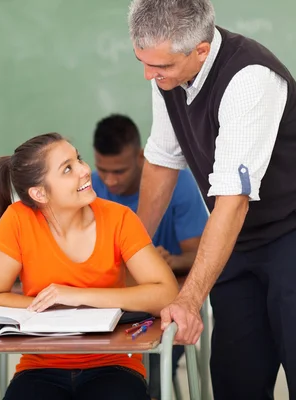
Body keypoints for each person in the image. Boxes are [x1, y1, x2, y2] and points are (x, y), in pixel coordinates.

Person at [128, 0, 296, 398]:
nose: (148, 75)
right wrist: (130, 253)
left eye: (161, 66)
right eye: (143, 61)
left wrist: (188, 301)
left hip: (290, 232)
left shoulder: (250, 77)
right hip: (238, 240)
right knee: (235, 378)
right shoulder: (167, 76)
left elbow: (233, 200)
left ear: (201, 50)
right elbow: (162, 162)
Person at [0, 132, 179, 400]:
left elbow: (167, 294)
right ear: (39, 193)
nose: (85, 170)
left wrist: (75, 295)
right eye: (68, 169)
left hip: (113, 366)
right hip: (40, 368)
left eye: (79, 159)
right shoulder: (18, 221)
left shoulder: (119, 219)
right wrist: (49, 303)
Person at [92, 114, 208, 398]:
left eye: (118, 171)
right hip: (106, 309)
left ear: (141, 157)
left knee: (150, 379)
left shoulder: (178, 184)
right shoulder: (88, 189)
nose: (110, 180)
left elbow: (199, 253)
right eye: (102, 170)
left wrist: (168, 262)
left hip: (162, 310)